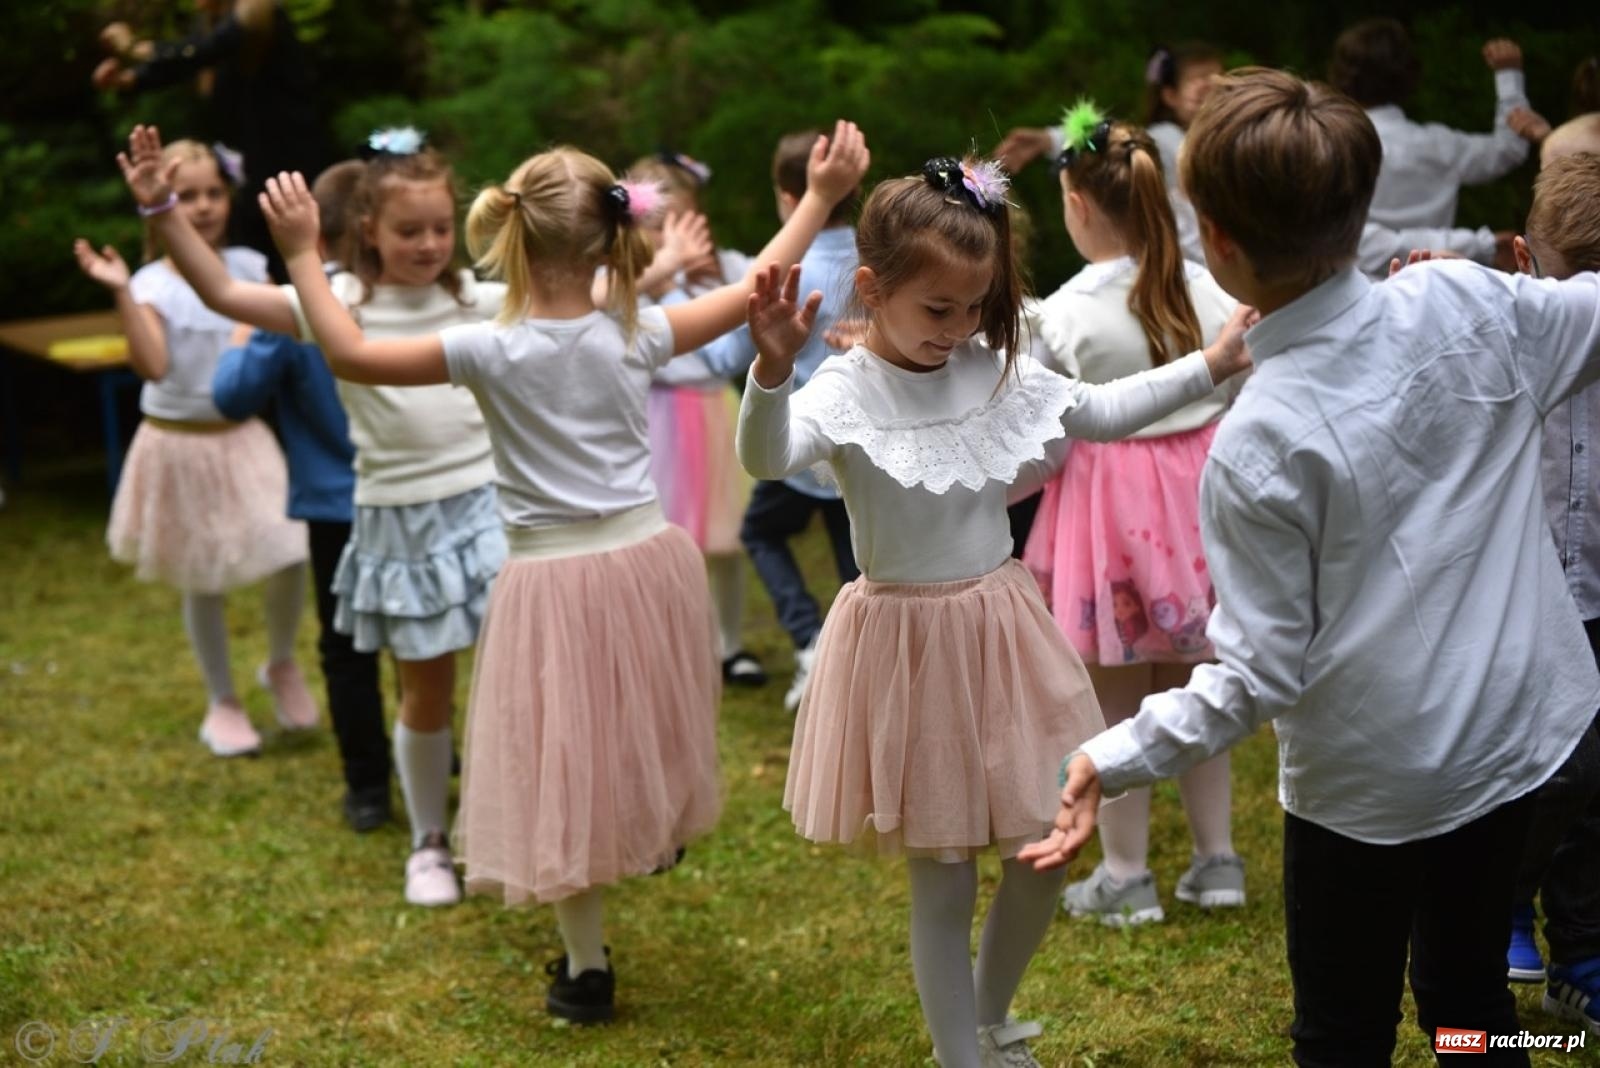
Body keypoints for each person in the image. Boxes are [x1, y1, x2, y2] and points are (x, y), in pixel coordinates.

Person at [1022, 68, 1600, 1067]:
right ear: (1359, 201)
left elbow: (1256, 675)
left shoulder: (1259, 442)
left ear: (1221, 244)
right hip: (1511, 739)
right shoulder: (1470, 300)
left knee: (1341, 1035)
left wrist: (1103, 756)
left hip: (1370, 792)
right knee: (1467, 1002)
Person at [258, 122, 871, 1023]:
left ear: (510, 231)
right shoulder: (639, 331)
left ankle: (587, 967)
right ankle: (652, 831)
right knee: (636, 718)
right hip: (644, 560)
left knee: (558, 759)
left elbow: (348, 352)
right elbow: (752, 290)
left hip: (549, 575)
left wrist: (304, 251)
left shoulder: (485, 344)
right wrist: (818, 199)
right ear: (615, 236)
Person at [737, 154, 1251, 1068]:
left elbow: (1100, 408)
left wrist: (1208, 366)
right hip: (905, 642)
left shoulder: (988, 366)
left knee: (1044, 845)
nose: (960, 328)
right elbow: (770, 459)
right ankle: (957, 1056)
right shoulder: (847, 389)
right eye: (939, 308)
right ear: (873, 286)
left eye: (975, 308)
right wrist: (771, 372)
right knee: (942, 877)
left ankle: (985, 1015)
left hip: (1004, 630)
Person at [119, 123, 506, 907]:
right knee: (423, 688)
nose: (429, 243)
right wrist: (160, 207)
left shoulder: (485, 299)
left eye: (440, 227)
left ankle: (505, 819)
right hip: (397, 519)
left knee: (510, 681)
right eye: (408, 230)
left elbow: (590, 288)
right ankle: (428, 840)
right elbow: (223, 293)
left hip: (493, 514)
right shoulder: (340, 303)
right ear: (368, 230)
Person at [1023, 103, 1244, 925]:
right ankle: (1218, 863)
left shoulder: (1062, 311)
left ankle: (1125, 874)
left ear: (1077, 206)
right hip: (1200, 504)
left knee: (1112, 701)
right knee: (1197, 687)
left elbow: (1044, 428)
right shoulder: (1210, 285)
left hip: (1107, 514)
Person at [72, 136, 315, 758]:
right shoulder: (153, 282)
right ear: (165, 203)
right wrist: (123, 292)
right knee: (201, 573)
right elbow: (152, 366)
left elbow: (256, 361)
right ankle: (222, 700)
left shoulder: (249, 268)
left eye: (212, 193)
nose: (203, 207)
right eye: (188, 195)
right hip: (178, 443)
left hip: (241, 437)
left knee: (290, 551)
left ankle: (281, 662)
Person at [210, 158, 394, 831]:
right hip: (405, 498)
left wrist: (238, 339)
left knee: (347, 649)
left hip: (333, 508)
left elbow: (232, 396)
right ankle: (430, 748)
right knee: (416, 638)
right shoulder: (403, 297)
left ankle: (367, 784)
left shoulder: (293, 310)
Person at [706, 130, 865, 712]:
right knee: (859, 569)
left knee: (760, 533)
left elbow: (725, 356)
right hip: (858, 452)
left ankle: (809, 638)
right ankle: (856, 666)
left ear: (783, 196)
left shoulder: (777, 271)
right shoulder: (880, 261)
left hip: (794, 450)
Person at [1506, 148, 1600, 1036]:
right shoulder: (1504, 336)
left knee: (1592, 780)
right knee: (1548, 773)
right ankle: (1498, 893)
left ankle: (1582, 954)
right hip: (1524, 598)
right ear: (1527, 260)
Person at [625, 152, 768, 686]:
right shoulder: (627, 281)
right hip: (655, 416)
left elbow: (756, 284)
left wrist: (708, 278)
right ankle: (661, 647)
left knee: (726, 542)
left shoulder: (725, 269)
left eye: (678, 223)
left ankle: (727, 645)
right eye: (656, 226)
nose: (668, 237)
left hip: (712, 413)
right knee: (659, 543)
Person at [93, 0, 331, 281]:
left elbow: (202, 51)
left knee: (297, 266)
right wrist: (128, 81)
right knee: (257, 270)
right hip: (244, 177)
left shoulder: (258, 16)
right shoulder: (213, 26)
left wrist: (134, 49)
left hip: (287, 171)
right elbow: (185, 62)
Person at [1329, 18, 1544, 270]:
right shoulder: (1438, 146)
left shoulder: (1332, 148)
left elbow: (1354, 241)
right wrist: (1509, 78)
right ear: (1408, 77)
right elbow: (1508, 150)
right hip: (1431, 285)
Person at [995, 42, 1224, 264]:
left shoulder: (1224, 137)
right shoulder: (1168, 137)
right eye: (1198, 79)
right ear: (1170, 96)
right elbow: (1115, 138)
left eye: (1217, 76)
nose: (1210, 84)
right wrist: (1050, 140)